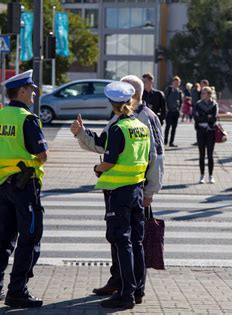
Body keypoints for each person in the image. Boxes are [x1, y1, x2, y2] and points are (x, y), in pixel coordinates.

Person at [71, 75, 164, 302]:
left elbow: (156, 156)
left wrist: (151, 191)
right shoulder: (130, 121)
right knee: (129, 241)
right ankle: (126, 284)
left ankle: (128, 289)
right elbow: (103, 143)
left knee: (125, 240)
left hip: (127, 190)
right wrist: (81, 134)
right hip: (131, 188)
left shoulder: (144, 119)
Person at [0, 70, 48, 308]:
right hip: (25, 185)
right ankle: (17, 291)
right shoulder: (27, 118)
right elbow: (42, 155)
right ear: (21, 91)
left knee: (3, 238)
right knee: (30, 238)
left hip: (3, 184)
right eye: (31, 89)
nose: (33, 94)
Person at [89, 81, 150, 309]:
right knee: (137, 242)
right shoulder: (140, 126)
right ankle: (138, 290)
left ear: (112, 105)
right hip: (137, 189)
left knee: (122, 242)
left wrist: (97, 169)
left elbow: (109, 161)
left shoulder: (117, 128)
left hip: (119, 193)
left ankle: (126, 295)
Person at [194, 86, 219, 184]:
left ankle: (211, 176)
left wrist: (204, 117)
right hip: (200, 131)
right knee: (201, 154)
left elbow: (214, 118)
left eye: (204, 93)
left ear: (209, 94)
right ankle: (201, 176)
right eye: (201, 93)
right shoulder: (198, 104)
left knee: (210, 155)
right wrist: (207, 117)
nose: (202, 95)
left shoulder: (214, 105)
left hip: (210, 131)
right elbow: (196, 117)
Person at [164, 76, 184, 147]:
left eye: (177, 83)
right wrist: (166, 108)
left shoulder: (179, 91)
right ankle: (165, 141)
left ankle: (171, 142)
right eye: (175, 83)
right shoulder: (168, 89)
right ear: (172, 83)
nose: (176, 84)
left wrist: (179, 109)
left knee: (174, 128)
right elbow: (165, 99)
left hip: (176, 112)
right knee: (168, 127)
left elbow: (181, 101)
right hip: (169, 112)